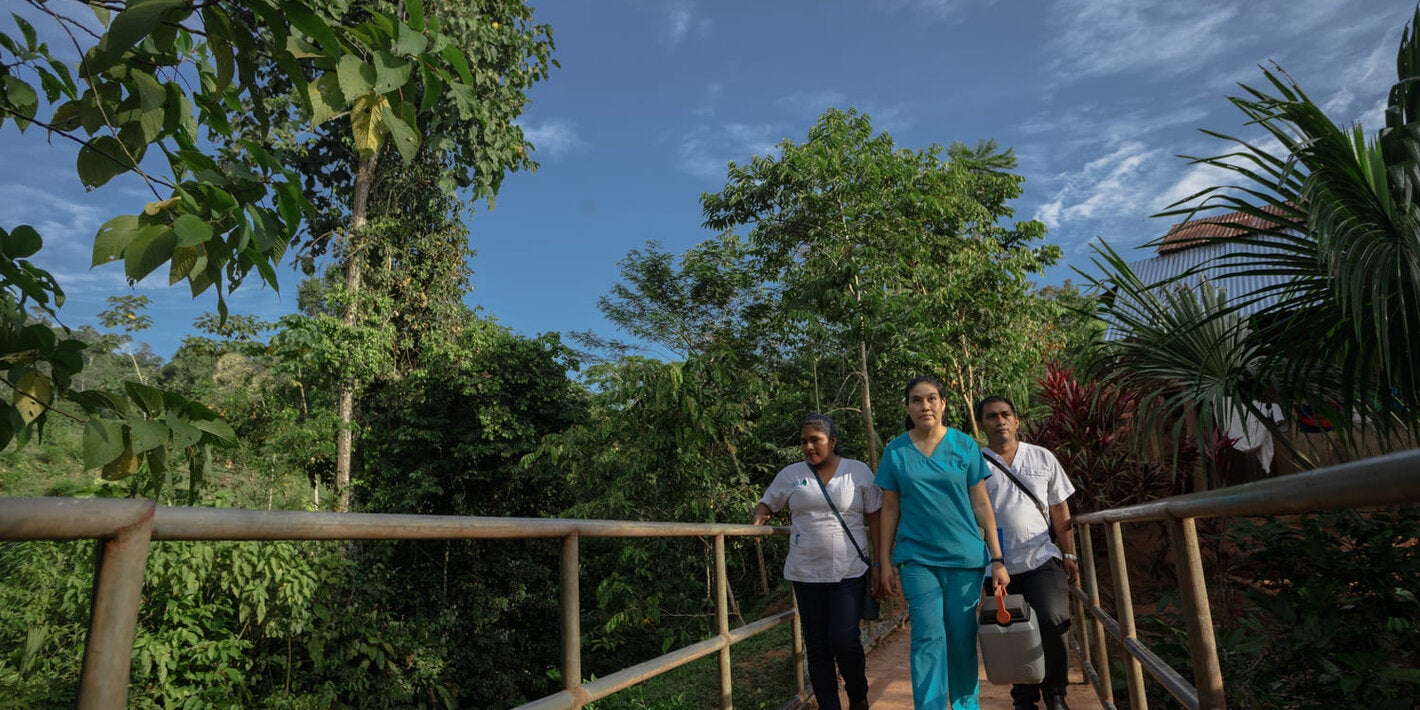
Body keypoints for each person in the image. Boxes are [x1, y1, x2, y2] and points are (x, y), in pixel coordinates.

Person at [877, 376, 1010, 710]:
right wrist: (883, 561)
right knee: (927, 637)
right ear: (907, 406)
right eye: (917, 400)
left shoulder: (964, 445)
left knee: (961, 640)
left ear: (943, 403)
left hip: (965, 558)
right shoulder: (895, 451)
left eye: (932, 398)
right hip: (917, 559)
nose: (925, 406)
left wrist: (997, 558)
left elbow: (982, 505)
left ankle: (966, 706)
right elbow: (889, 509)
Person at [754, 413, 882, 710]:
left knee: (844, 639)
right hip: (805, 572)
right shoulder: (790, 474)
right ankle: (828, 705)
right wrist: (761, 513)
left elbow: (875, 517)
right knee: (818, 647)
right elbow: (769, 501)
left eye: (816, 440)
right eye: (804, 441)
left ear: (833, 441)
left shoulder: (858, 471)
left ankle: (858, 695)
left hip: (849, 571)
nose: (809, 446)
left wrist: (879, 564)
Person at [976, 395, 1079, 710]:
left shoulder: (1041, 457)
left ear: (1017, 421)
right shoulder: (974, 463)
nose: (1000, 420)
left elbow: (1059, 509)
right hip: (995, 564)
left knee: (1051, 618)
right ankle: (1023, 696)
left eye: (1006, 414)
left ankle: (1055, 693)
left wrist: (1070, 554)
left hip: (1040, 556)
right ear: (982, 425)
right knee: (1009, 630)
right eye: (992, 416)